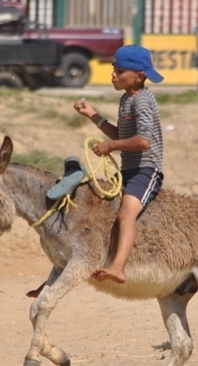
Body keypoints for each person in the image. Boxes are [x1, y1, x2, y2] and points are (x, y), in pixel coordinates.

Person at [50, 44, 165, 285]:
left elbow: (143, 142)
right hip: (128, 170)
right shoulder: (127, 99)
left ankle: (118, 267)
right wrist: (92, 114)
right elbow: (119, 134)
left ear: (139, 76)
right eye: (114, 68)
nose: (113, 74)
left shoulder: (141, 101)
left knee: (126, 214)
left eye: (120, 71)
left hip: (146, 169)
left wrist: (111, 147)